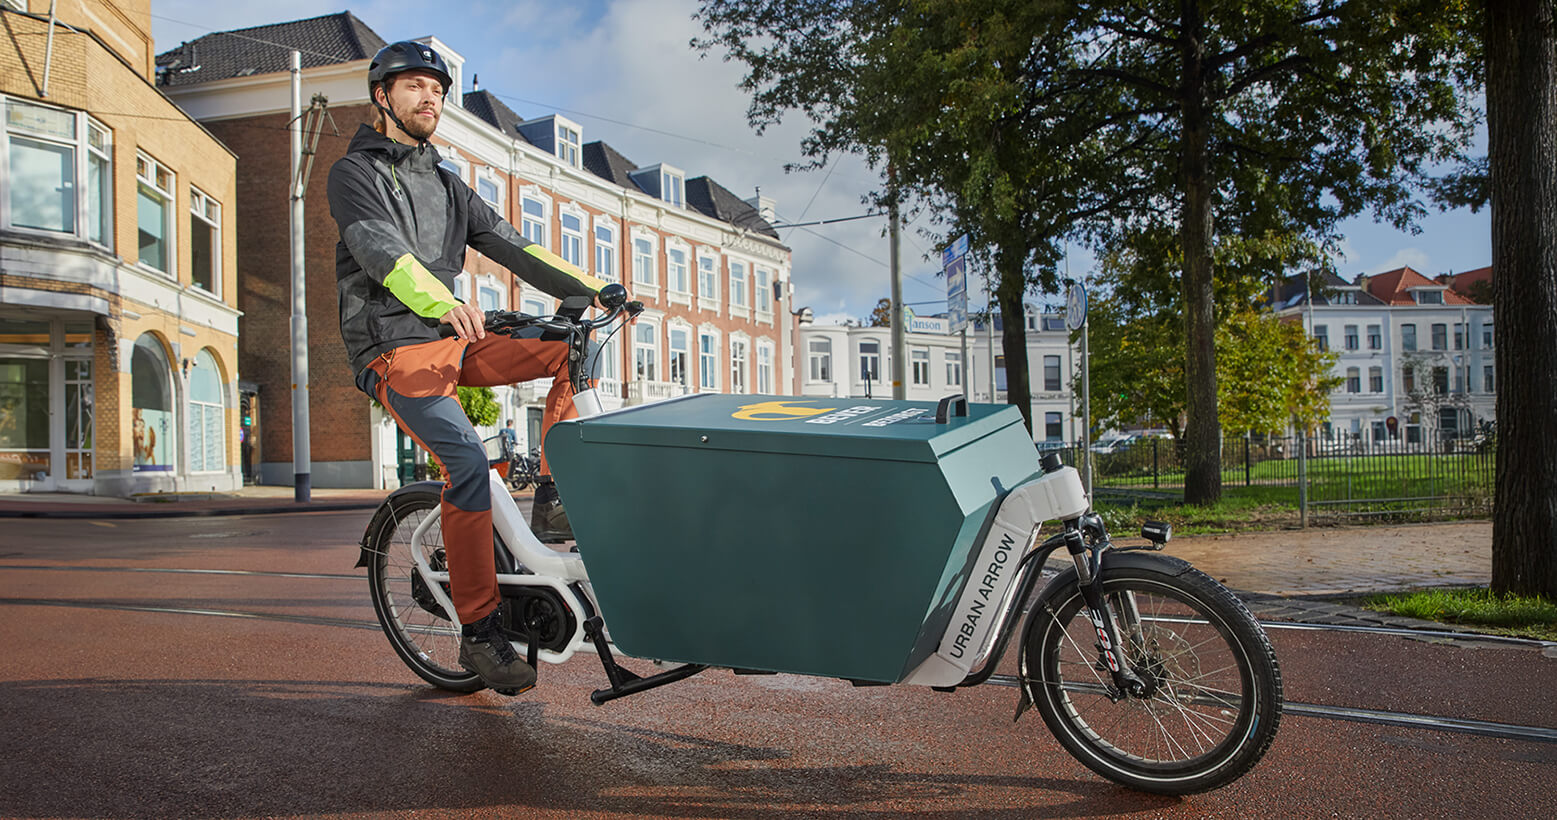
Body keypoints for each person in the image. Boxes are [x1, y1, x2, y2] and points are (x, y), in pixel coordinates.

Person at [327, 41, 624, 694]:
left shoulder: (447, 186)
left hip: (457, 342)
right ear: (382, 97)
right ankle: (479, 629)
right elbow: (379, 250)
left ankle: (554, 498)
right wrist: (442, 302)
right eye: (413, 85)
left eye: (437, 89)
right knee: (466, 462)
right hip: (392, 347)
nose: (429, 97)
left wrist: (596, 290)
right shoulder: (354, 174)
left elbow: (516, 247)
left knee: (574, 344)